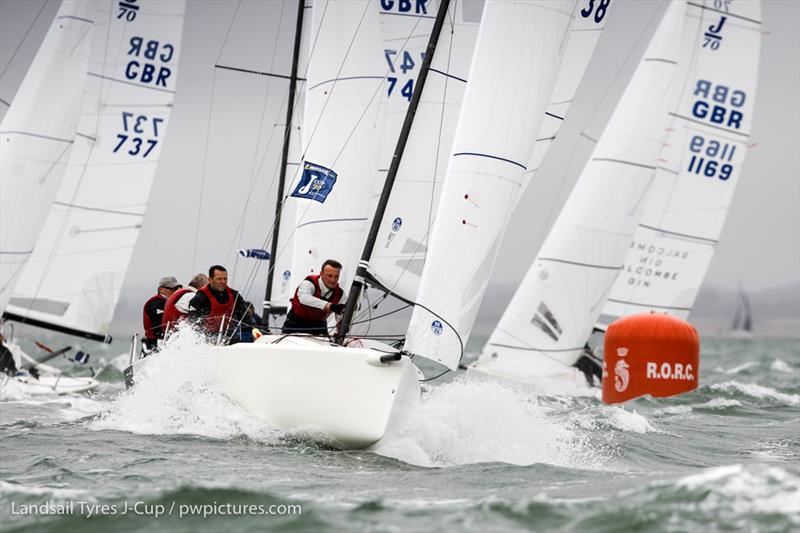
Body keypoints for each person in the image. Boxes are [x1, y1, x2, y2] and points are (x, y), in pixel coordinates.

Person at [282, 259, 347, 336]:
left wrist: (340, 328)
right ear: (321, 274)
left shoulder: (340, 294)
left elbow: (340, 315)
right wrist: (330, 306)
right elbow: (304, 298)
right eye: (329, 275)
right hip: (296, 323)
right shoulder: (309, 282)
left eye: (336, 276)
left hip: (319, 325)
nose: (333, 280)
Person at [188, 265, 248, 337]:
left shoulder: (235, 295)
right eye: (219, 279)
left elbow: (246, 318)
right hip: (207, 338)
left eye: (225, 279)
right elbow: (193, 322)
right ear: (210, 280)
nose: (223, 282)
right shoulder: (201, 298)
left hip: (229, 336)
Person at [142, 276, 181, 351]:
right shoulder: (156, 304)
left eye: (176, 289)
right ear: (161, 289)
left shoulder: (170, 304)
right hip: (154, 346)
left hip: (165, 345)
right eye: (172, 289)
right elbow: (158, 329)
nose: (175, 291)